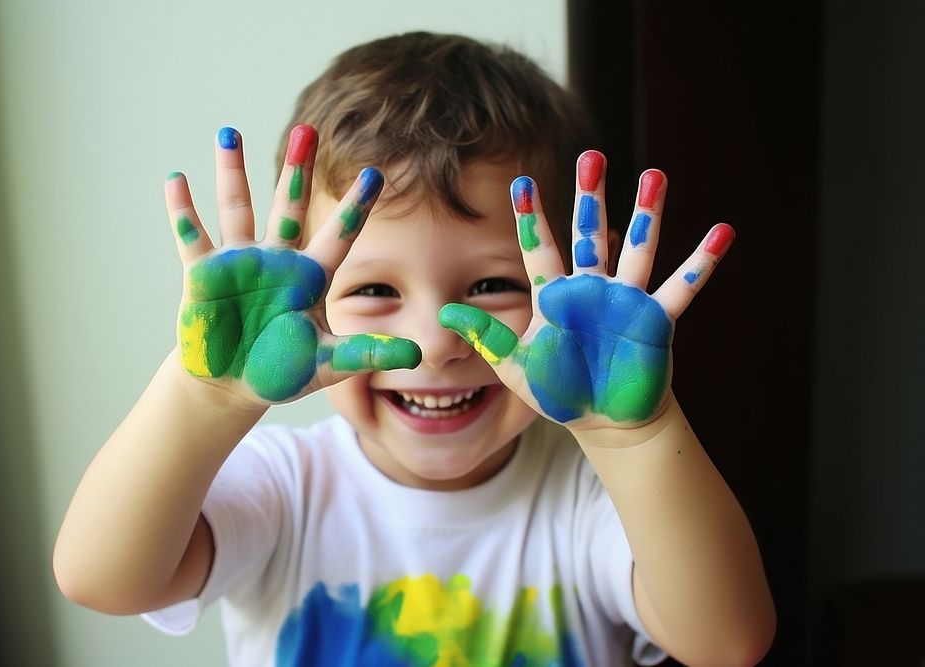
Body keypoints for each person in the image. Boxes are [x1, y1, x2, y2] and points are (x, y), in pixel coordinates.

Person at [53, 32, 775, 666]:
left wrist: (634, 439)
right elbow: (101, 576)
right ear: (309, 296)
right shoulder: (284, 489)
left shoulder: (591, 495)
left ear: (582, 285)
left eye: (492, 283)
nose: (432, 344)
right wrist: (203, 394)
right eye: (373, 289)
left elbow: (726, 642)